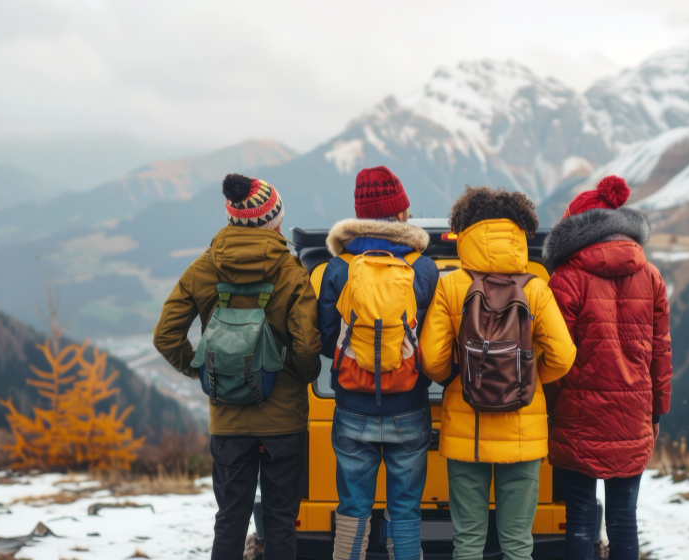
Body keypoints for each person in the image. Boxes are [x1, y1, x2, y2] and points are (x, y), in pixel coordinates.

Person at [153, 174, 322, 560]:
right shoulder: (292, 272)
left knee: (230, 520)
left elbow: (165, 334)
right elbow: (308, 345)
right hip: (284, 422)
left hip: (229, 420)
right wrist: (297, 375)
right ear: (274, 220)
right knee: (280, 522)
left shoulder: (204, 268)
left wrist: (203, 373)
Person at [419, 187, 577, 560]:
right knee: (518, 544)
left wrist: (456, 379)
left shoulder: (451, 287)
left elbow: (431, 358)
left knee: (469, 541)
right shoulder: (536, 288)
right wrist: (530, 378)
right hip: (523, 431)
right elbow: (564, 356)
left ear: (465, 229)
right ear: (520, 230)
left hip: (466, 432)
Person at [541, 176, 672, 560]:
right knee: (623, 520)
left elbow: (554, 357)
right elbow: (660, 353)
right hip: (633, 417)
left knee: (580, 520)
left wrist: (549, 409)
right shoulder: (650, 277)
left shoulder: (564, 280)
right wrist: (657, 410)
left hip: (576, 417)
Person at [317, 166, 439, 560]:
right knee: (405, 509)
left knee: (353, 509)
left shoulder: (338, 268)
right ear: (401, 212)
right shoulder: (423, 267)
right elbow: (434, 342)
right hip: (409, 406)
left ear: (359, 214)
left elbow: (324, 339)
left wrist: (355, 358)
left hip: (352, 408)